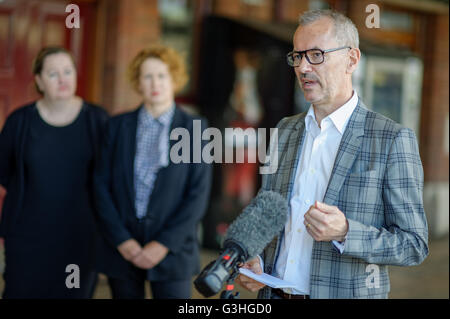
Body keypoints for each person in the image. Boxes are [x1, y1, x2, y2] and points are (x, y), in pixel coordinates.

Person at [236, 9, 429, 299]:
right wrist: (258, 260)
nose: (303, 67)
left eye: (316, 55)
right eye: (297, 56)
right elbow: (268, 214)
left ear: (351, 60)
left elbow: (414, 244)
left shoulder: (392, 139)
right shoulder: (284, 130)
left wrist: (346, 231)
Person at [93, 44, 212, 299]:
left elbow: (198, 194)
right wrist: (122, 240)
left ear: (174, 79)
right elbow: (100, 185)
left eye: (162, 75)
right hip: (123, 249)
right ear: (138, 82)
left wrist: (163, 244)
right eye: (147, 76)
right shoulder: (116, 126)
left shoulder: (196, 129)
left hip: (173, 250)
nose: (154, 83)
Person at [0, 46, 108, 298]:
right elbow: (3, 170)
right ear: (38, 80)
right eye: (53, 74)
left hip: (80, 236)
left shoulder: (97, 120)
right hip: (27, 237)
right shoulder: (20, 121)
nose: (62, 79)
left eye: (68, 71)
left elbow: (110, 177)